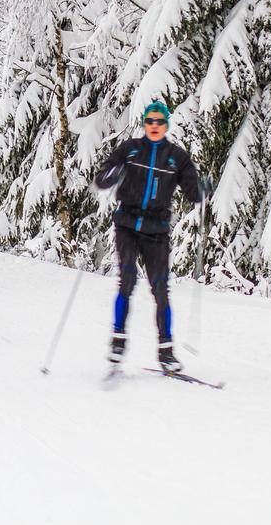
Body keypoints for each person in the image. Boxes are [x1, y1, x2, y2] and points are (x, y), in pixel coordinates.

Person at [94, 100, 203, 372]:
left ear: (166, 125)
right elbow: (101, 178)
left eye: (160, 122)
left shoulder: (176, 157)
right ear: (145, 123)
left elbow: (193, 192)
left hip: (157, 230)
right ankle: (118, 343)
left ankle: (166, 353)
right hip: (127, 225)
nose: (154, 126)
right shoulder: (130, 149)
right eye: (150, 121)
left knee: (160, 289)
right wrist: (113, 174)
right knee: (127, 280)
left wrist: (203, 189)